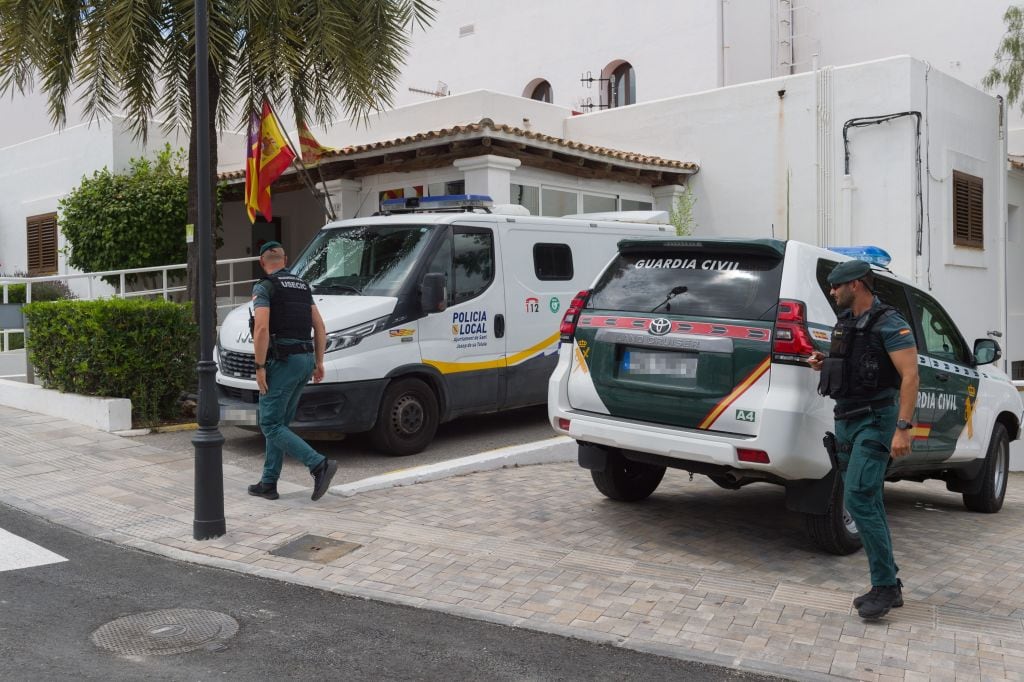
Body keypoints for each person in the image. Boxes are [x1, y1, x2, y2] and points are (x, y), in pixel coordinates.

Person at [808, 259, 919, 620]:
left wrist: (903, 427)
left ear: (855, 284)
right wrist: (824, 363)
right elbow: (856, 363)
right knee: (867, 498)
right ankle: (890, 584)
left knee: (857, 498)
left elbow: (910, 376)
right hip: (846, 418)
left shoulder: (891, 323)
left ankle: (884, 587)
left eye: (836, 286)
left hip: (876, 419)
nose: (832, 291)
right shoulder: (846, 323)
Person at [247, 240, 338, 501]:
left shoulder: (264, 287)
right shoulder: (302, 286)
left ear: (262, 263)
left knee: (270, 424)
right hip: (304, 360)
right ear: (285, 260)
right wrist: (319, 362)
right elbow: (320, 327)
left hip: (283, 362)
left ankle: (318, 464)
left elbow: (262, 329)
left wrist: (260, 367)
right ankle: (268, 483)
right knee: (280, 423)